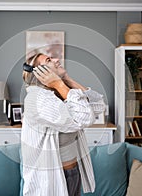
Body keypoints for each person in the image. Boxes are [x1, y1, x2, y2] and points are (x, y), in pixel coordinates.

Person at [21, 53, 105, 196]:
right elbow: (84, 118)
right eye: (49, 60)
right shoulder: (38, 98)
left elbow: (98, 106)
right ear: (40, 73)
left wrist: (66, 79)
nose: (57, 60)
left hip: (71, 172)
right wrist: (59, 83)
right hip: (54, 179)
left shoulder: (57, 93)